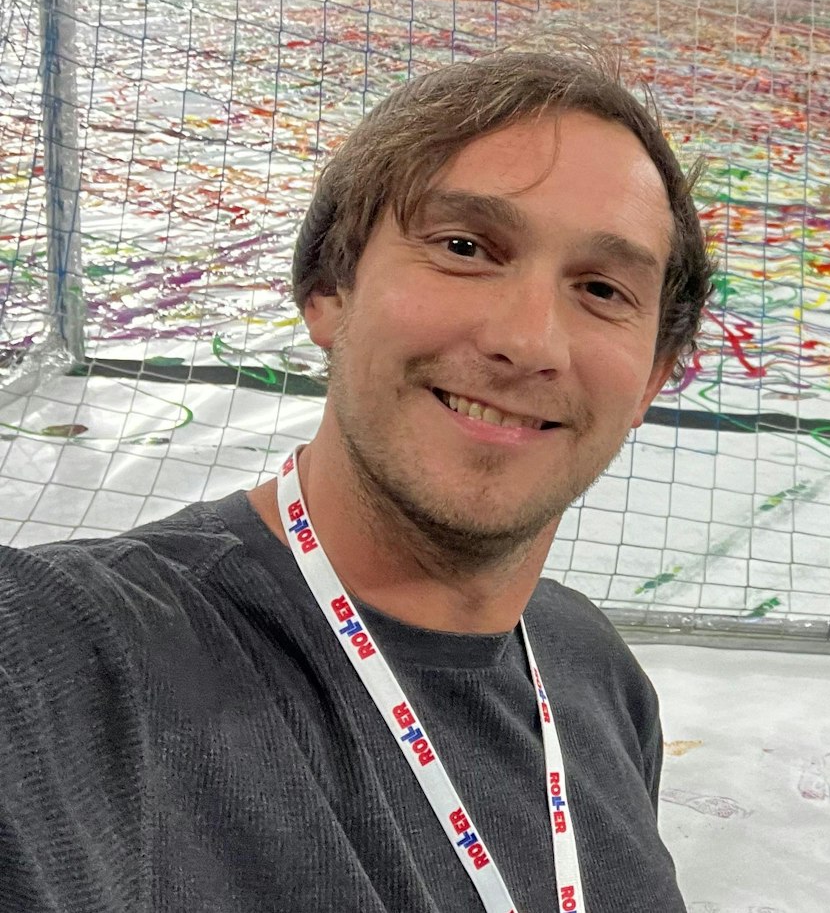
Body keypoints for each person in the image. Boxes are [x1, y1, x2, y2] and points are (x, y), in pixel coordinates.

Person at [0, 51, 712, 912]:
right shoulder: (87, 653)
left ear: (651, 378)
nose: (529, 341)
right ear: (329, 286)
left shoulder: (596, 676)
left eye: (601, 288)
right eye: (464, 247)